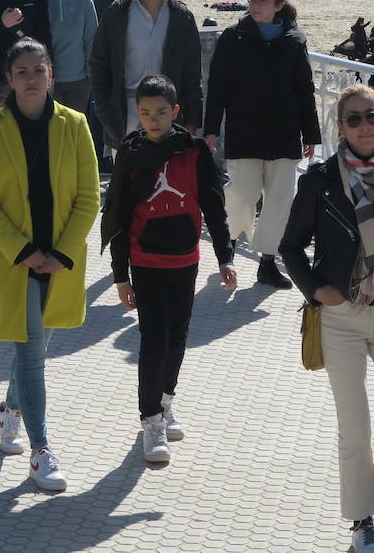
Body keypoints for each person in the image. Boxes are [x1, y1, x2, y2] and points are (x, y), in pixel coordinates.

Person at [280, 83, 374, 553]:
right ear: (340, 127)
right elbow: (290, 246)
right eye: (354, 119)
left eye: (372, 117)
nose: (364, 126)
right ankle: (361, 520)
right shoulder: (321, 179)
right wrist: (314, 289)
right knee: (355, 427)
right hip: (341, 317)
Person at [0, 38, 99, 491]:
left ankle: (9, 409)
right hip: (13, 259)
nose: (30, 78)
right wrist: (25, 251)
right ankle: (41, 449)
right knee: (30, 352)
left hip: (60, 257)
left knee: (37, 344)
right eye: (21, 71)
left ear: (51, 75)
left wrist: (61, 252)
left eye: (37, 70)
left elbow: (89, 195)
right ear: (9, 78)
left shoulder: (76, 124)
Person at [102, 74, 235, 463]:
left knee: (178, 338)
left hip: (186, 260)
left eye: (161, 112)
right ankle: (150, 423)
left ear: (175, 112)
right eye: (144, 113)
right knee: (153, 341)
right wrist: (120, 275)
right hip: (146, 261)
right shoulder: (130, 153)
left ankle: (165, 402)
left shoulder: (193, 151)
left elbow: (214, 207)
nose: (153, 120)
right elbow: (119, 216)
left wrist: (225, 257)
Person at [204, 0, 320, 290]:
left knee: (280, 200)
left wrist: (312, 133)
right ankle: (226, 242)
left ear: (278, 5)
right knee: (243, 192)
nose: (255, 5)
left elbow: (304, 89)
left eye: (263, 0)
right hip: (245, 130)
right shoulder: (233, 37)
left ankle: (267, 262)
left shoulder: (294, 39)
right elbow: (217, 87)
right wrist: (211, 129)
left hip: (285, 132)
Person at [90, 0, 203, 149]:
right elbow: (99, 64)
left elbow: (193, 73)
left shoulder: (181, 17)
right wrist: (107, 115)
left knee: (166, 180)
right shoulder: (117, 14)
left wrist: (192, 122)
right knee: (130, 180)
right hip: (126, 113)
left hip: (168, 113)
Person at [36, 0, 96, 114]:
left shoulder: (84, 3)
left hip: (79, 82)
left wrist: (91, 80)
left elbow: (91, 42)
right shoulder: (40, 1)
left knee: (73, 134)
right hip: (48, 81)